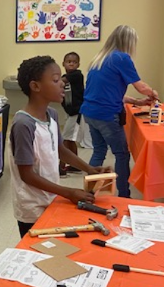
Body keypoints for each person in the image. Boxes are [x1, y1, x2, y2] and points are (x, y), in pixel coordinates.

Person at [9, 55, 110, 238]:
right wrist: (68, 192)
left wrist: (89, 169)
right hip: (32, 206)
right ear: (35, 86)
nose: (62, 83)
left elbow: (60, 150)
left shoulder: (52, 114)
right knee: (35, 251)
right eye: (55, 80)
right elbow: (27, 174)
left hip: (51, 197)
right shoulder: (24, 124)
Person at [80, 25, 158, 198]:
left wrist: (136, 101)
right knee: (122, 154)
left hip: (90, 112)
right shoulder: (122, 58)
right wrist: (153, 94)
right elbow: (141, 86)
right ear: (129, 42)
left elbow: (106, 93)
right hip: (106, 115)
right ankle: (124, 195)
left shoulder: (99, 59)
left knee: (99, 150)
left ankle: (90, 192)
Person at [59, 52, 93, 177]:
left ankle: (61, 166)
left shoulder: (76, 75)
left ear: (78, 64)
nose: (71, 63)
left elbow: (60, 82)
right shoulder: (66, 75)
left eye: (74, 62)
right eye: (69, 61)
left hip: (76, 113)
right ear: (63, 63)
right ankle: (74, 165)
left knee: (65, 140)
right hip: (70, 112)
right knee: (70, 140)